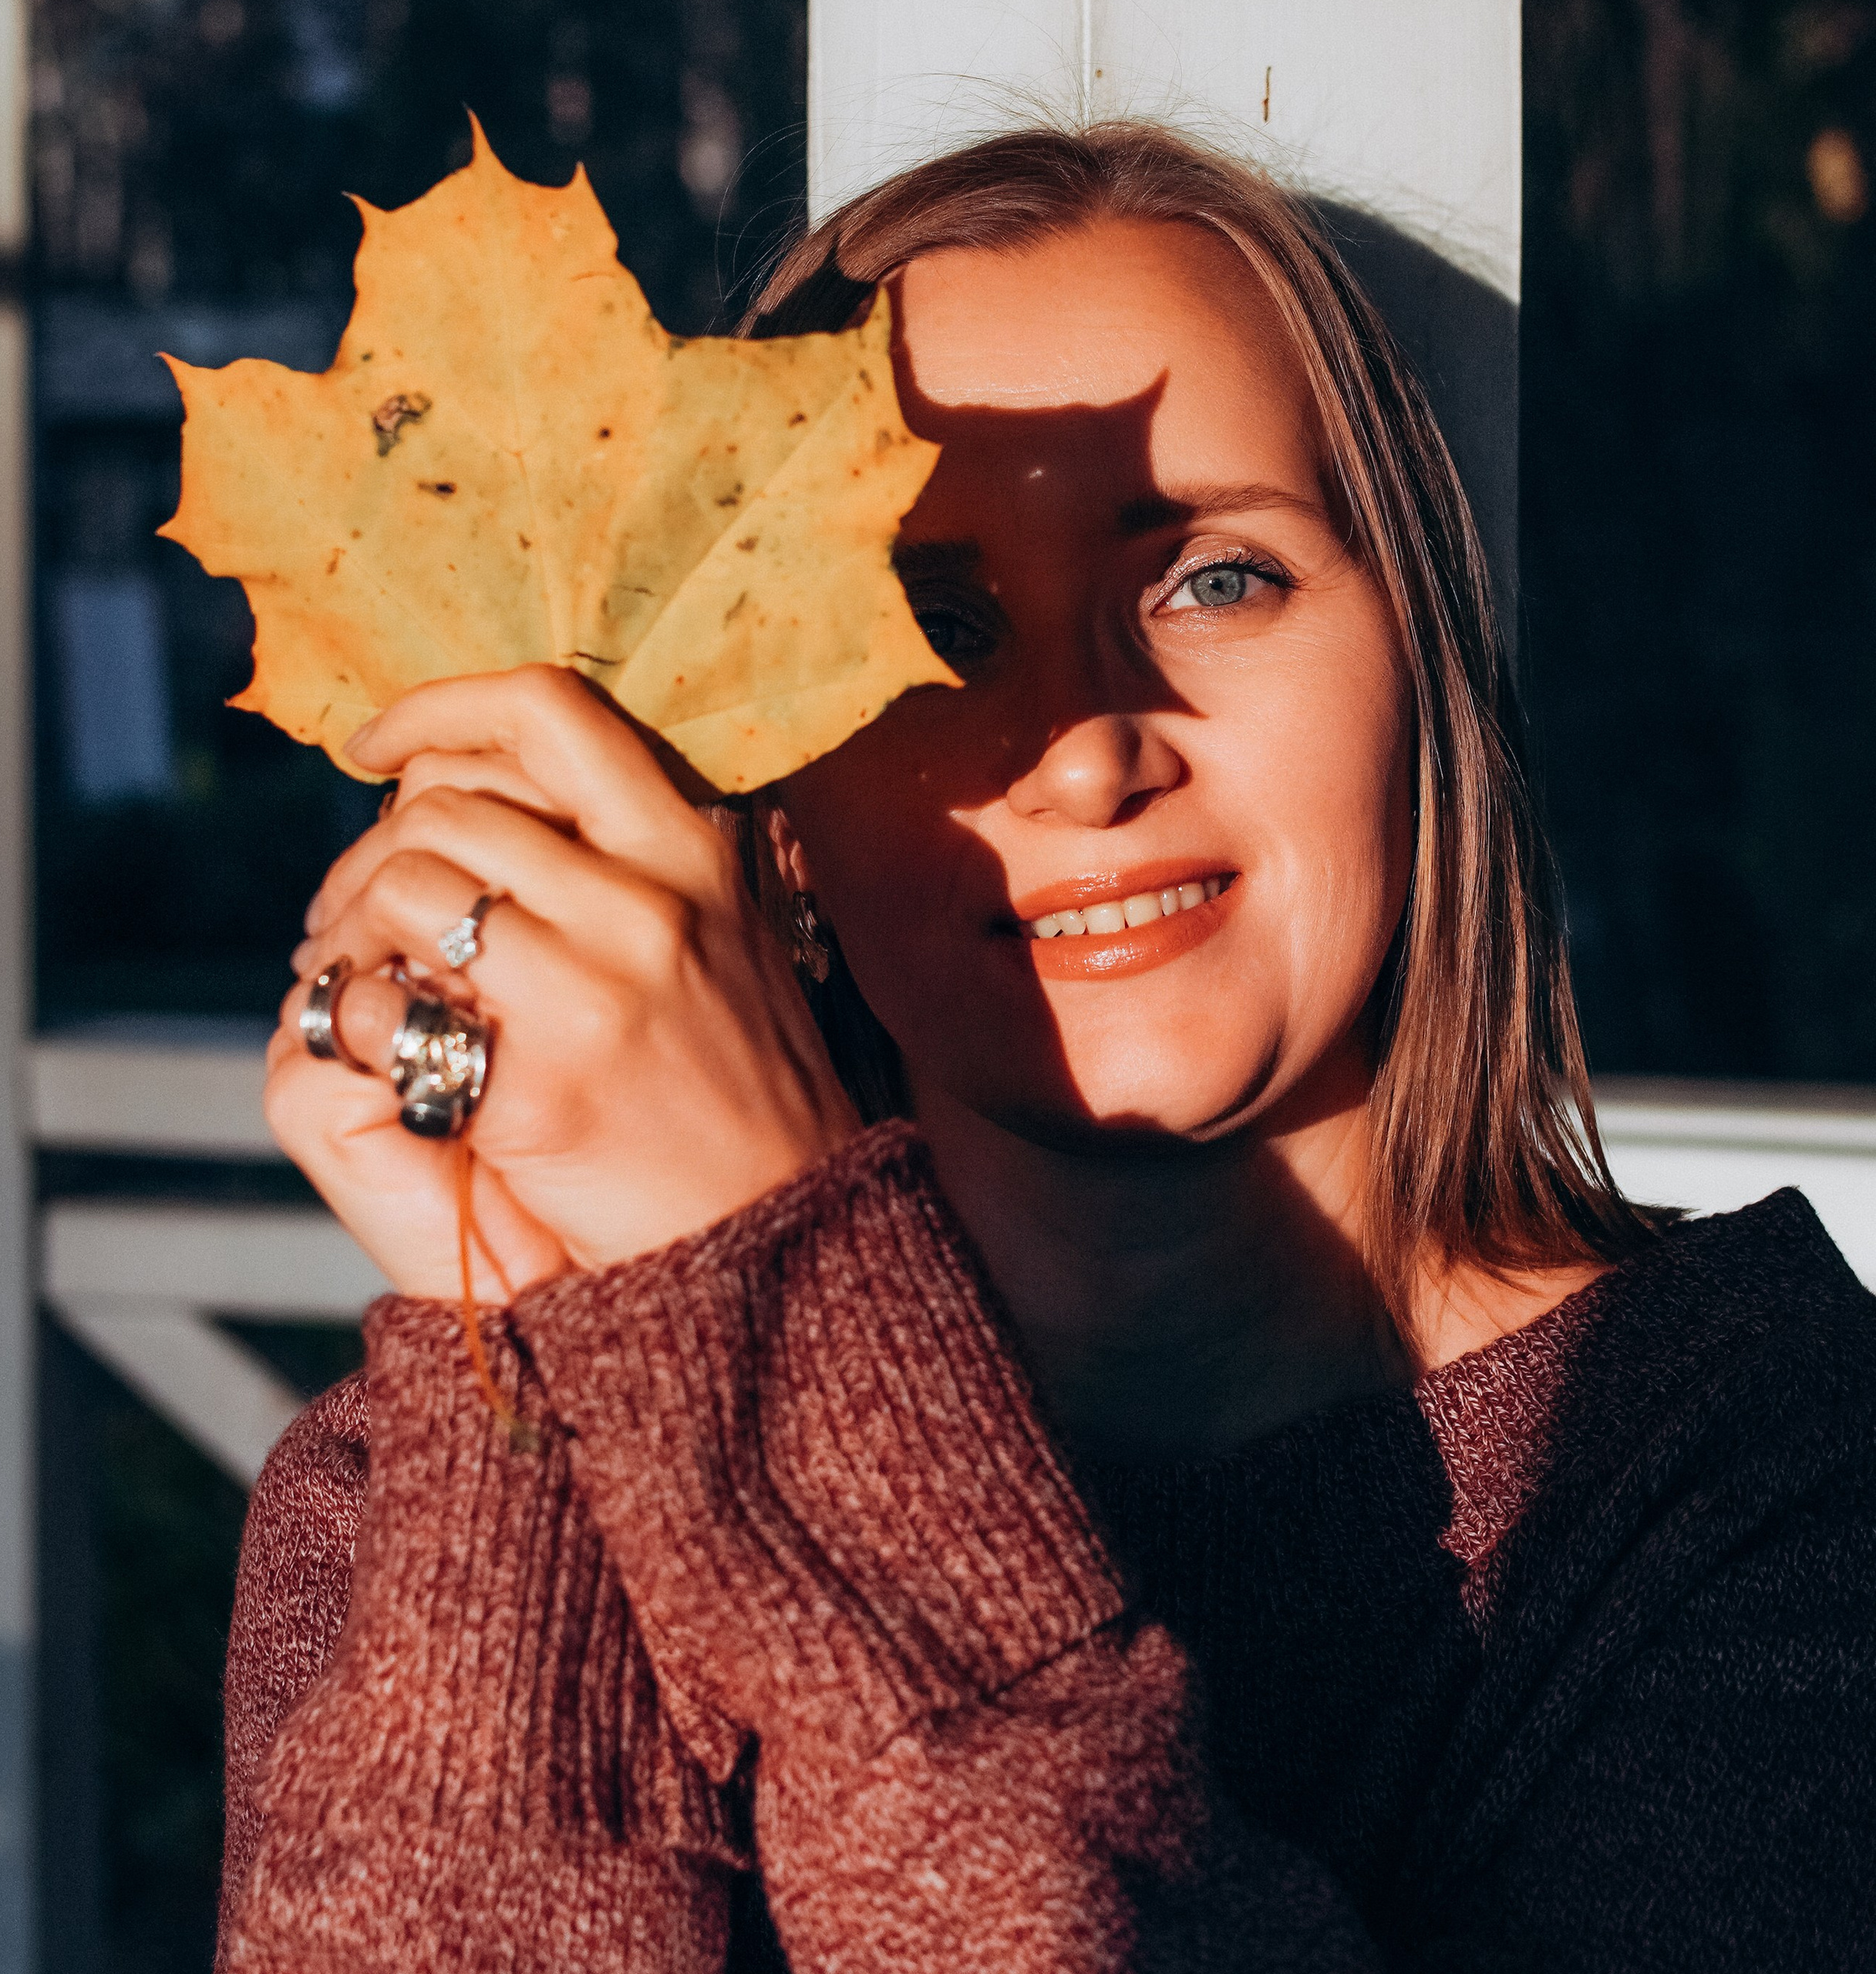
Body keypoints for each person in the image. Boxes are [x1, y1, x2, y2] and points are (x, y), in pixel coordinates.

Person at [214, 124, 1876, 1972]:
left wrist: (786, 1281)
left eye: (1210, 577)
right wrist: (524, 1368)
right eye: (931, 624)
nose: (1088, 748)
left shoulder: (1752, 1469)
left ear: (1426, 672)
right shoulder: (403, 1497)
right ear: (759, 805)